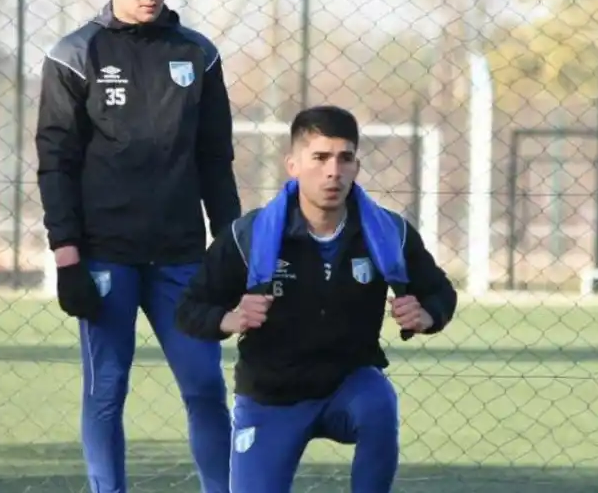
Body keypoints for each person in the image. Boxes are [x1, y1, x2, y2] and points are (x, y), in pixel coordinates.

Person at [35, 0, 240, 493]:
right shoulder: (75, 55)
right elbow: (56, 163)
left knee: (204, 388)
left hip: (180, 257)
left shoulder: (198, 54)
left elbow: (215, 161)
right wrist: (68, 258)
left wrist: (228, 249)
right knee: (107, 392)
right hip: (106, 257)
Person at [175, 105, 458, 493]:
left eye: (345, 159)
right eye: (320, 157)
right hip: (270, 397)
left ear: (356, 166)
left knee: (379, 402)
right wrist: (229, 319)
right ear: (293, 164)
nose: (333, 171)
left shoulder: (388, 232)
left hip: (348, 385)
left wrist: (428, 315)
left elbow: (440, 292)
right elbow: (189, 308)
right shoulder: (249, 235)